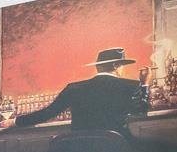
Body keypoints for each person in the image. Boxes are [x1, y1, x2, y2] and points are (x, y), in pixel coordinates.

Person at [15, 47, 149, 132]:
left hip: (81, 150)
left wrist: (15, 121)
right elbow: (142, 111)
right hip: (115, 147)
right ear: (115, 66)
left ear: (98, 66)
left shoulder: (74, 88)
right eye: (122, 65)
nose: (123, 69)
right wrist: (144, 84)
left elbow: (48, 113)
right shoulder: (130, 85)